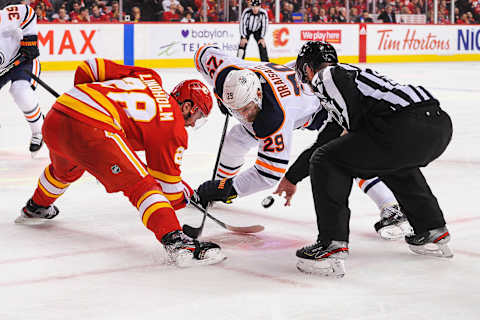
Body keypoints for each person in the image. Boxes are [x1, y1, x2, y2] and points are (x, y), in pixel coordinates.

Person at [17, 58, 225, 267]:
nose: (192, 124)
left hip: (59, 113)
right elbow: (168, 191)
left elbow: (89, 68)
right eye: (196, 116)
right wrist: (186, 197)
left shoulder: (150, 77)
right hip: (94, 126)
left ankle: (37, 207)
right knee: (141, 185)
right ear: (187, 106)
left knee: (65, 170)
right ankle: (177, 243)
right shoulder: (173, 126)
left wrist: (86, 101)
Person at [192, 45, 411, 240]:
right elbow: (203, 52)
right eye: (235, 111)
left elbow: (269, 174)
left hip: (325, 110)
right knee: (236, 139)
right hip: (294, 85)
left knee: (347, 155)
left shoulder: (275, 117)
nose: (243, 115)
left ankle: (390, 206)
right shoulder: (227, 72)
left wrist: (232, 189)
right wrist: (224, 95)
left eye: (246, 108)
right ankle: (219, 186)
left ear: (258, 94)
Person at [293, 41, 453, 277]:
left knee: (325, 160)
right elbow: (333, 136)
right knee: (392, 161)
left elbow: (349, 127)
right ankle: (431, 228)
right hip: (437, 124)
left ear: (307, 68)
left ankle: (331, 244)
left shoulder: (327, 76)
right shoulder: (350, 76)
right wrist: (293, 176)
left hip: (404, 123)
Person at [0, 2, 43, 155]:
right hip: (2, 69)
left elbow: (27, 13)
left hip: (22, 60)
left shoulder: (11, 13)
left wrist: (30, 41)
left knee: (20, 92)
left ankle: (39, 131)